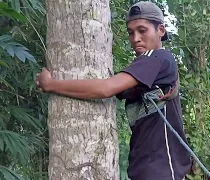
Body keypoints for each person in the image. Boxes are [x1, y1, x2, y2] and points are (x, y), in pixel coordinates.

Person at [36, 1, 192, 180]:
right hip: (146, 169)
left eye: (142, 30)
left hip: (160, 170)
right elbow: (115, 88)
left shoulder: (157, 57)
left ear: (161, 31)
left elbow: (105, 89)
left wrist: (52, 84)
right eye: (131, 32)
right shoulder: (144, 69)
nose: (135, 39)